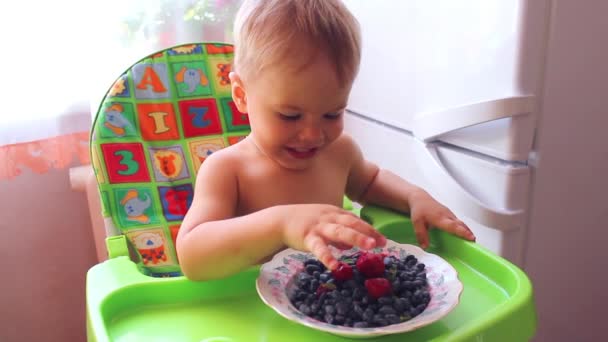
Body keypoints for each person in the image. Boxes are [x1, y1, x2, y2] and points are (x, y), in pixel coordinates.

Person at [177, 0, 475, 281]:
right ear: (241, 95)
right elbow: (192, 257)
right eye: (290, 116)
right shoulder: (227, 170)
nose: (313, 135)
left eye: (332, 114)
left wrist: (414, 197)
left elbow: (371, 182)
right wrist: (282, 224)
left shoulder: (339, 152)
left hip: (327, 301)